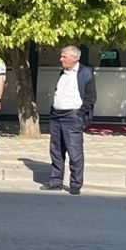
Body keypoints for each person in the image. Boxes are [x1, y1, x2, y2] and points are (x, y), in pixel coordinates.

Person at [42, 45, 96, 195]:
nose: (61, 59)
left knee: (74, 152)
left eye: (64, 56)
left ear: (75, 58)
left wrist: (80, 114)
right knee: (56, 150)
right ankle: (55, 181)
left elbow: (91, 97)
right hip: (56, 116)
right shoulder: (63, 72)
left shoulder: (84, 73)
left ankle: (75, 184)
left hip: (72, 117)